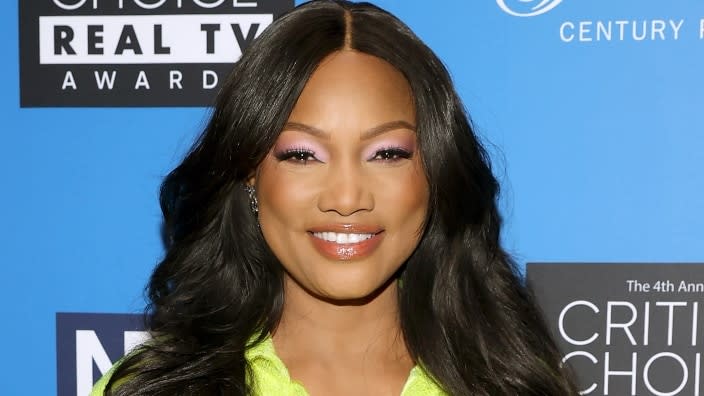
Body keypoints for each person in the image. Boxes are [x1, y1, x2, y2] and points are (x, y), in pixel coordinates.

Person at [92, 0, 580, 394]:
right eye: (302, 155)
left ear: (436, 174)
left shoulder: (513, 381)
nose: (347, 198)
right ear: (248, 175)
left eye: (387, 153)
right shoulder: (154, 388)